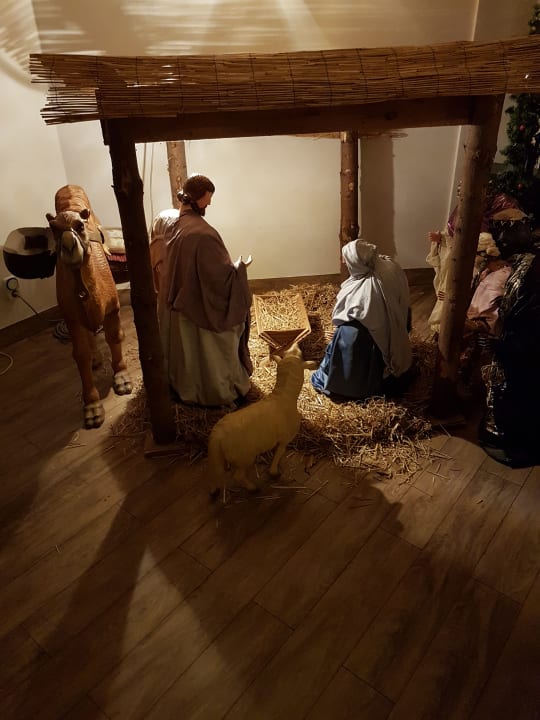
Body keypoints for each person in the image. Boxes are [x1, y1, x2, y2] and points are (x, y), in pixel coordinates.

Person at [160, 174, 253, 407]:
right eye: (207, 199)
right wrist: (239, 270)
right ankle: (216, 391)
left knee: (187, 355)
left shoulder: (173, 226)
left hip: (179, 306)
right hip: (199, 308)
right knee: (216, 344)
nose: (209, 203)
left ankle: (185, 386)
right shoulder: (204, 235)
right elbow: (219, 278)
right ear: (197, 198)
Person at [311, 239, 412, 402]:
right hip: (393, 326)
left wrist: (338, 333)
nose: (342, 261)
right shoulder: (387, 264)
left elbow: (360, 318)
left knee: (348, 334)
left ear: (357, 262)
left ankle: (350, 387)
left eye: (346, 258)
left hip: (369, 343)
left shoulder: (367, 290)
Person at [426, 184, 521, 334]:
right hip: (463, 259)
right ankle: (450, 320)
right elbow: (453, 233)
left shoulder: (501, 207)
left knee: (484, 287)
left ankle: (474, 324)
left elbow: (503, 242)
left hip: (486, 262)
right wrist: (442, 238)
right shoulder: (462, 209)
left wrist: (490, 259)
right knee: (454, 283)